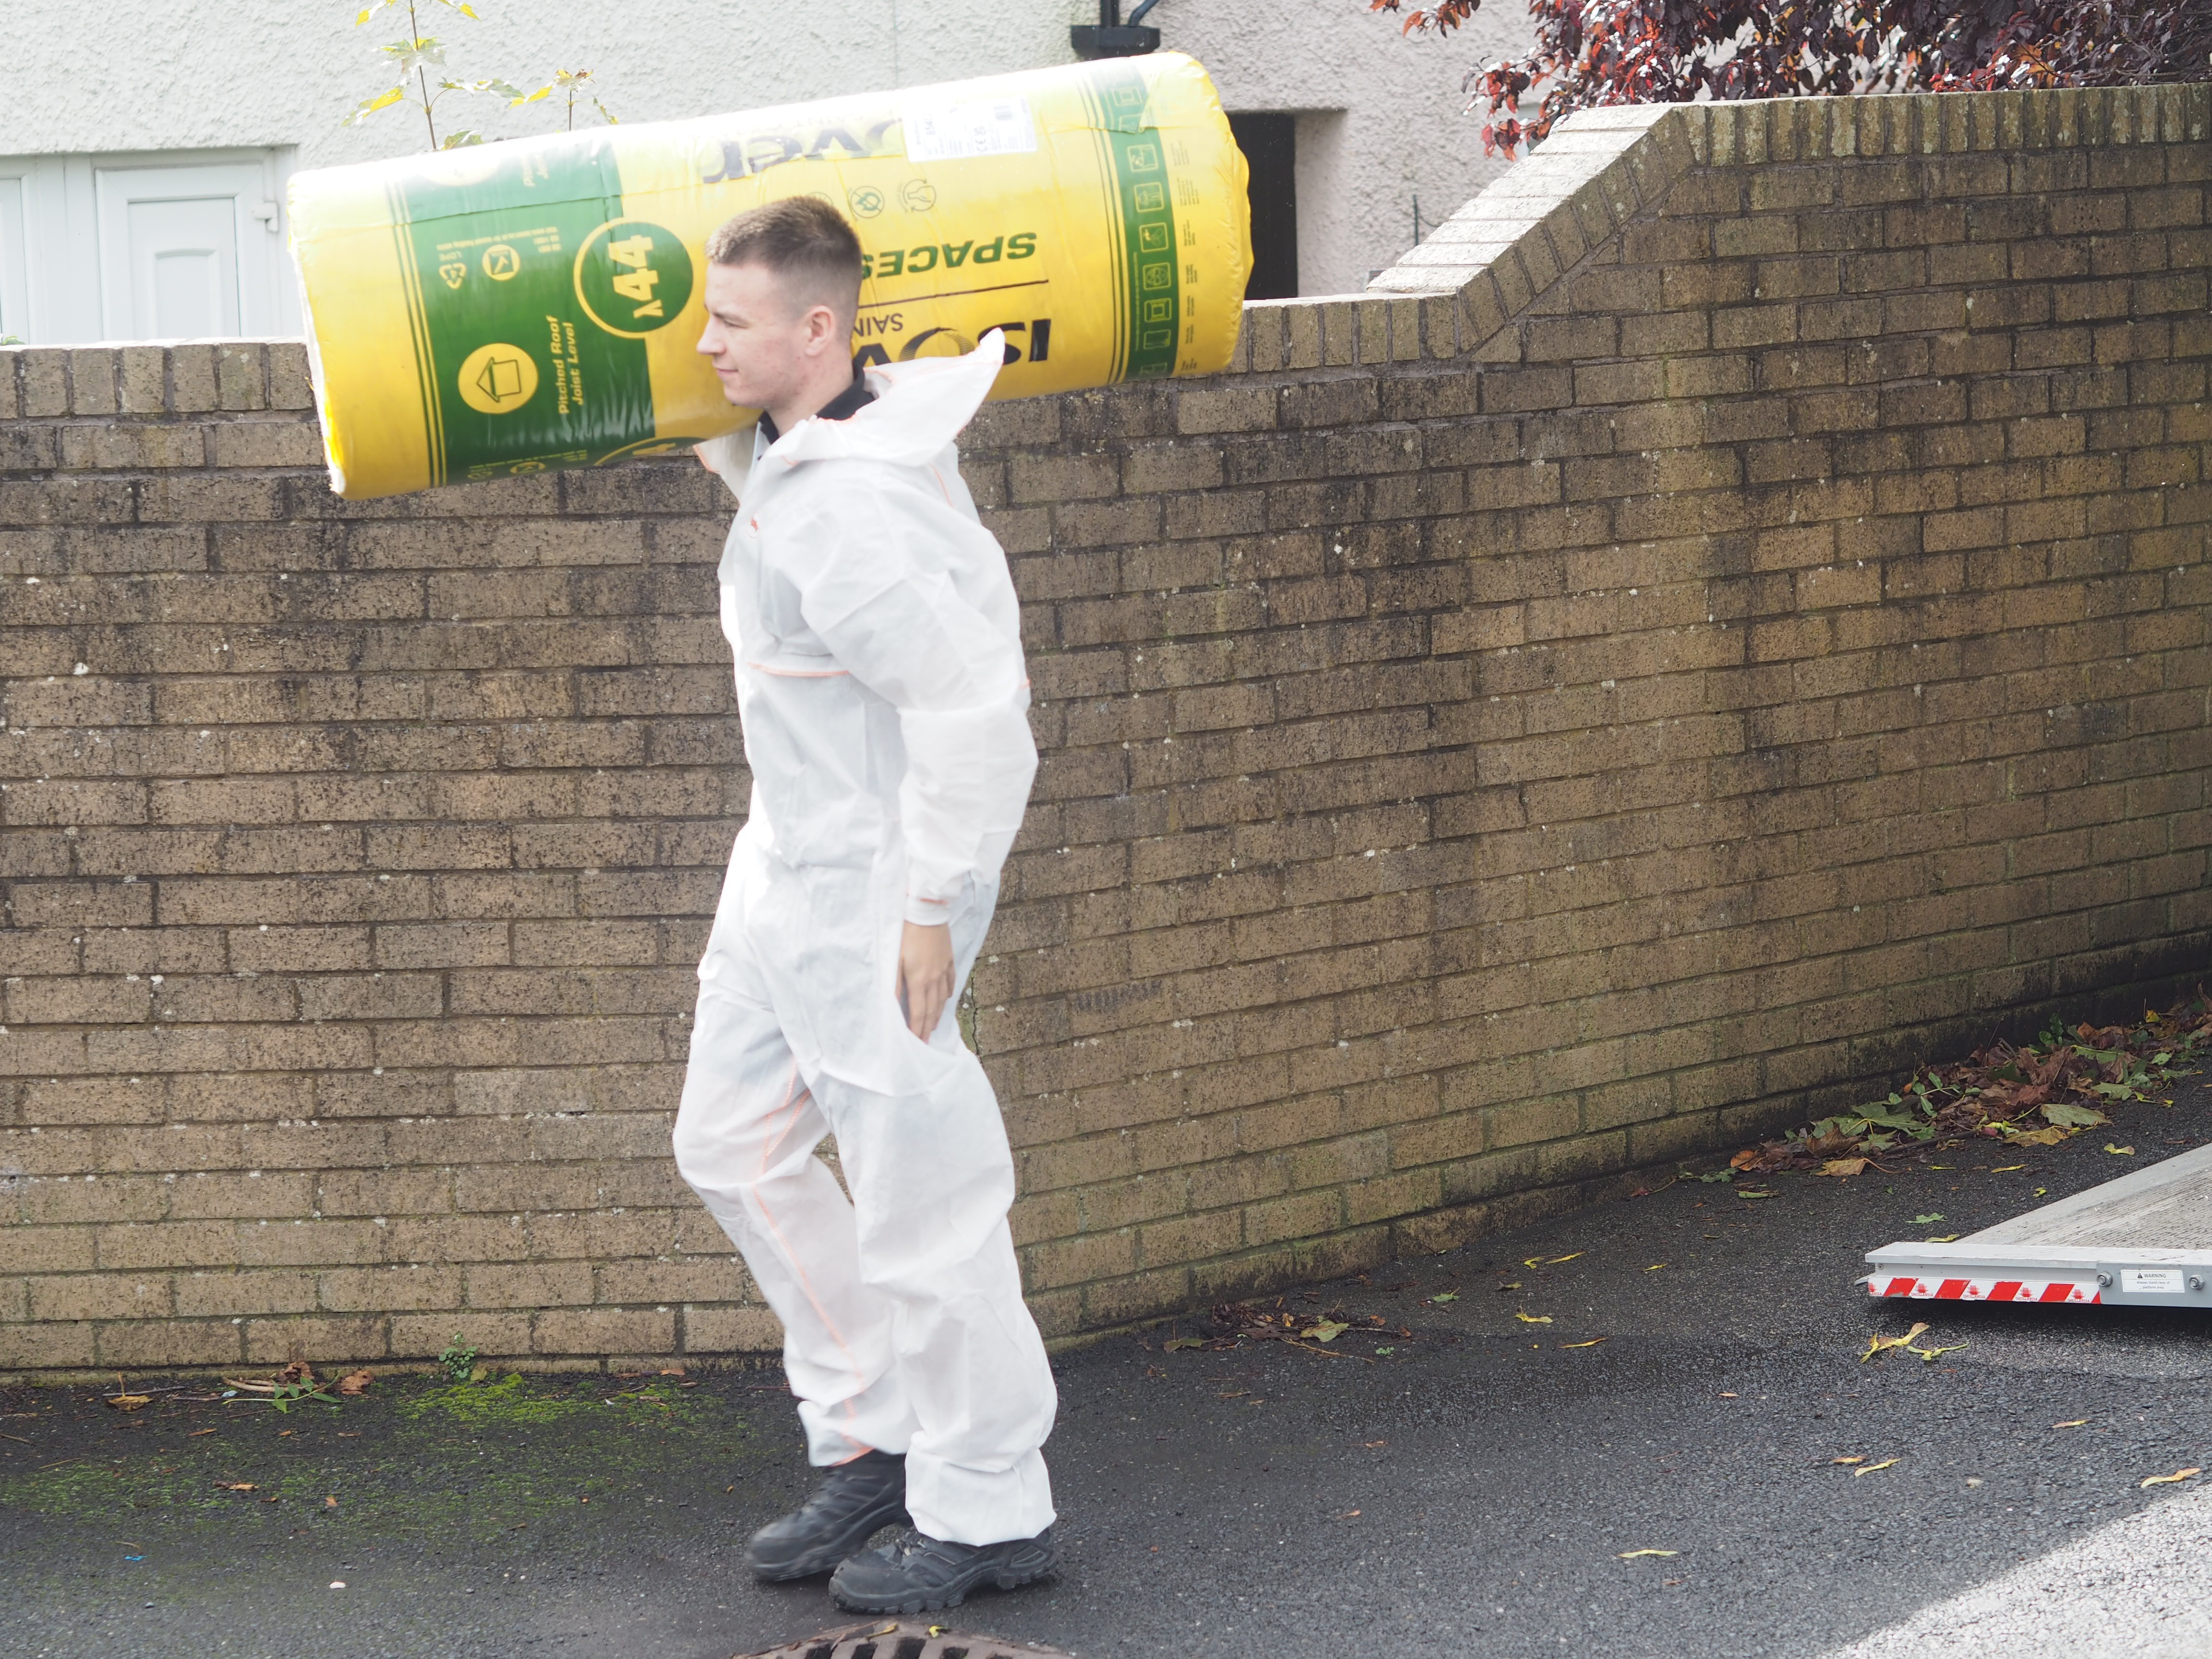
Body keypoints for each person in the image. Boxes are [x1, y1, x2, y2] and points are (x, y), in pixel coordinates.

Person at [668, 195, 1058, 1617]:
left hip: (872, 891)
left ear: (818, 331)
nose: (704, 342)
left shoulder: (855, 511)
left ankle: (988, 1502)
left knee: (924, 1200)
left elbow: (972, 708)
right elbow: (755, 451)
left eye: (733, 322)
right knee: (731, 1144)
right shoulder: (797, 449)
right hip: (779, 869)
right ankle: (874, 1433)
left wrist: (932, 908)